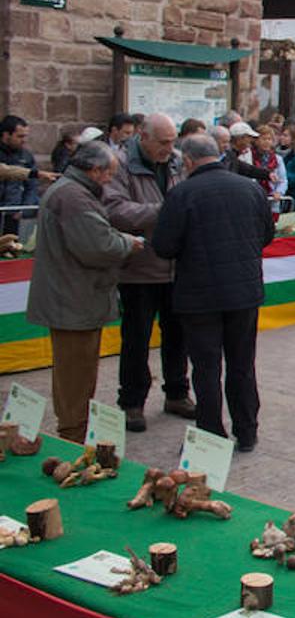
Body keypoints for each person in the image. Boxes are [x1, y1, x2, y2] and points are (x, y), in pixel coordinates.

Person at [151, 135, 273, 451]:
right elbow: (266, 235)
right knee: (242, 363)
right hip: (243, 291)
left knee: (206, 367)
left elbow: (163, 246)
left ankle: (210, 434)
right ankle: (247, 430)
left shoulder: (181, 194)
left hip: (199, 295)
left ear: (188, 161)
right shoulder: (250, 188)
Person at [26, 142, 139, 442]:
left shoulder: (71, 191)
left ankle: (74, 427)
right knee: (75, 377)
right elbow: (98, 247)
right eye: (110, 174)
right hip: (73, 299)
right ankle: (72, 436)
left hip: (73, 296)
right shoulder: (74, 196)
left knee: (76, 374)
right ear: (95, 170)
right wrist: (128, 243)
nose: (110, 181)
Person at [104, 114, 196, 432]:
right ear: (143, 137)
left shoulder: (176, 163)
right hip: (138, 270)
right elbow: (115, 210)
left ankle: (177, 394)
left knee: (177, 337)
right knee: (136, 340)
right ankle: (131, 402)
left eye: (173, 142)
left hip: (174, 269)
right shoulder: (121, 165)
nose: (170, 149)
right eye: (163, 142)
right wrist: (162, 211)